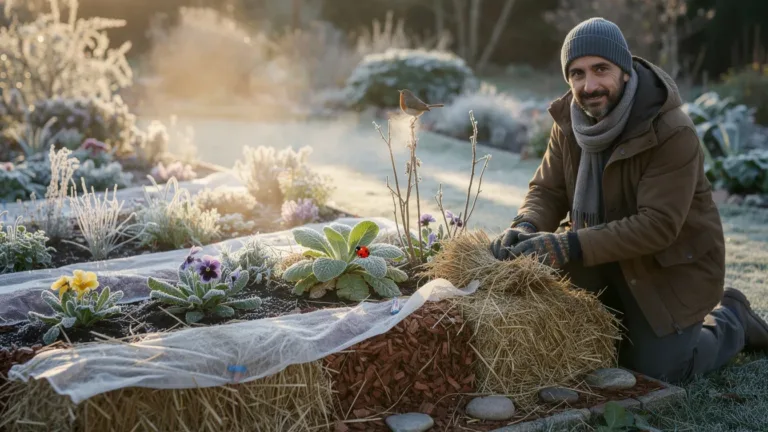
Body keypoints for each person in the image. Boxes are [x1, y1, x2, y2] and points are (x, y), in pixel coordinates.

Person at [489, 17, 768, 383]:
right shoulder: (569, 123)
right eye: (577, 73)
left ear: (624, 69)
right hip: (598, 253)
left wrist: (565, 245)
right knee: (574, 340)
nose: (589, 85)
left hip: (667, 268)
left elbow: (658, 226)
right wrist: (525, 226)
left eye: (600, 69)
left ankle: (733, 317)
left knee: (660, 369)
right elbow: (547, 191)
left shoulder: (671, 131)